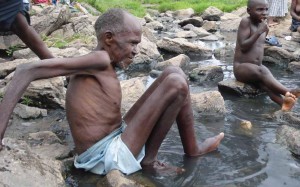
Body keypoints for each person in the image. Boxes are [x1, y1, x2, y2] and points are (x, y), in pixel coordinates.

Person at [0, 8, 224, 176]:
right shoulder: (99, 58)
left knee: (174, 71)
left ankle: (192, 149)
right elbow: (25, 71)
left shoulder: (98, 60)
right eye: (132, 43)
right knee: (176, 83)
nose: (136, 51)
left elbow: (64, 70)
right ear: (108, 39)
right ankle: (149, 162)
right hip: (105, 157)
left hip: (114, 139)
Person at [233, 0, 300, 111]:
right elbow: (244, 46)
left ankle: (284, 105)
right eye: (259, 9)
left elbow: (258, 46)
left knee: (266, 85)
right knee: (263, 71)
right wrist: (258, 32)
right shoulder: (246, 22)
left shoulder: (264, 27)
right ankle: (287, 91)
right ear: (248, 11)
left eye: (266, 9)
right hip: (241, 68)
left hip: (255, 68)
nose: (264, 12)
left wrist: (262, 31)